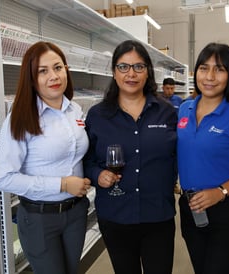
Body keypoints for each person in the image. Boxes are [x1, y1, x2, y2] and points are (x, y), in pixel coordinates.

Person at [0, 41, 91, 274]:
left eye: (58, 68)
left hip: (76, 212)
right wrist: (62, 184)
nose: (53, 76)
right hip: (40, 219)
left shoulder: (75, 110)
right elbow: (4, 178)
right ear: (31, 78)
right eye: (42, 71)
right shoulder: (20, 118)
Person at [84, 40, 177, 274]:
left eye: (139, 67)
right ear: (114, 73)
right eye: (123, 67)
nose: (131, 74)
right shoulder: (98, 115)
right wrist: (98, 174)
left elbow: (184, 153)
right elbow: (86, 160)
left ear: (148, 72)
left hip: (158, 215)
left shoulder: (167, 113)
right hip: (115, 215)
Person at [177, 42, 229, 274]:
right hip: (190, 209)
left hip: (227, 212)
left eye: (220, 69)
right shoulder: (183, 110)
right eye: (204, 68)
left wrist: (220, 192)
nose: (210, 76)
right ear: (196, 73)